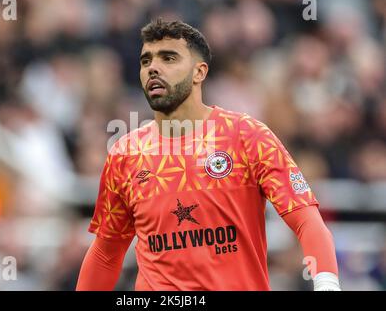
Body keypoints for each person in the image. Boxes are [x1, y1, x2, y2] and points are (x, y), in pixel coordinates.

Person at [76, 19, 340, 291]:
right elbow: (106, 253)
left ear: (199, 72)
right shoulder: (126, 154)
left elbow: (307, 220)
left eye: (168, 58)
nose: (153, 67)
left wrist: (327, 282)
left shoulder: (246, 135)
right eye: (146, 61)